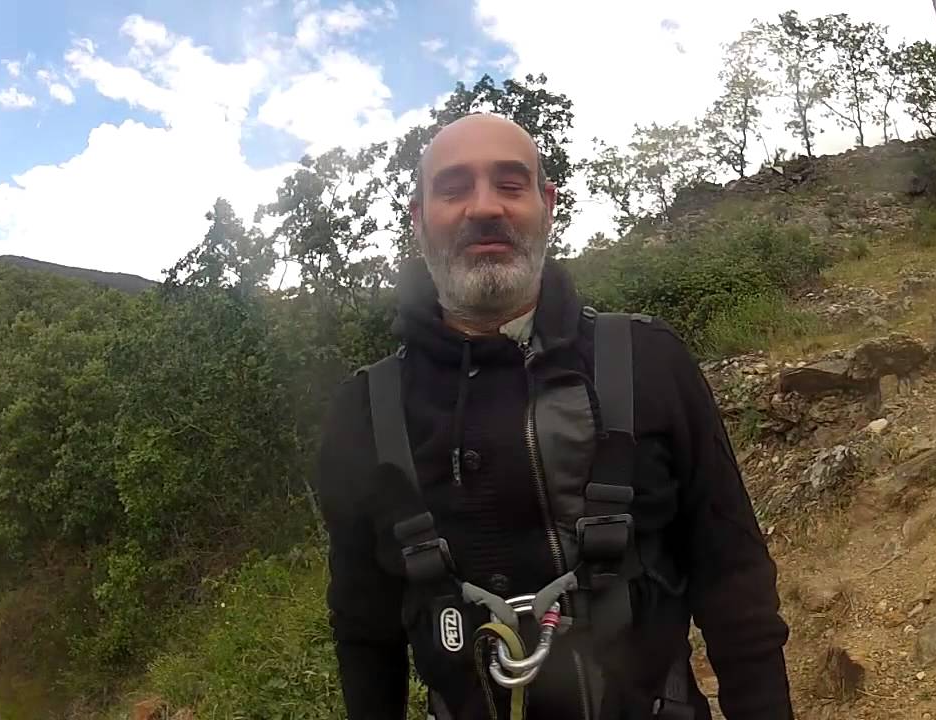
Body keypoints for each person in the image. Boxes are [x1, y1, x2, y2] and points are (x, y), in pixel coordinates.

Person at [314, 112, 793, 720]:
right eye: (454, 188)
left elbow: (734, 577)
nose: (484, 207)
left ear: (547, 205)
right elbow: (364, 632)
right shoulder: (362, 414)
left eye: (510, 184)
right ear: (418, 219)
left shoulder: (649, 360)